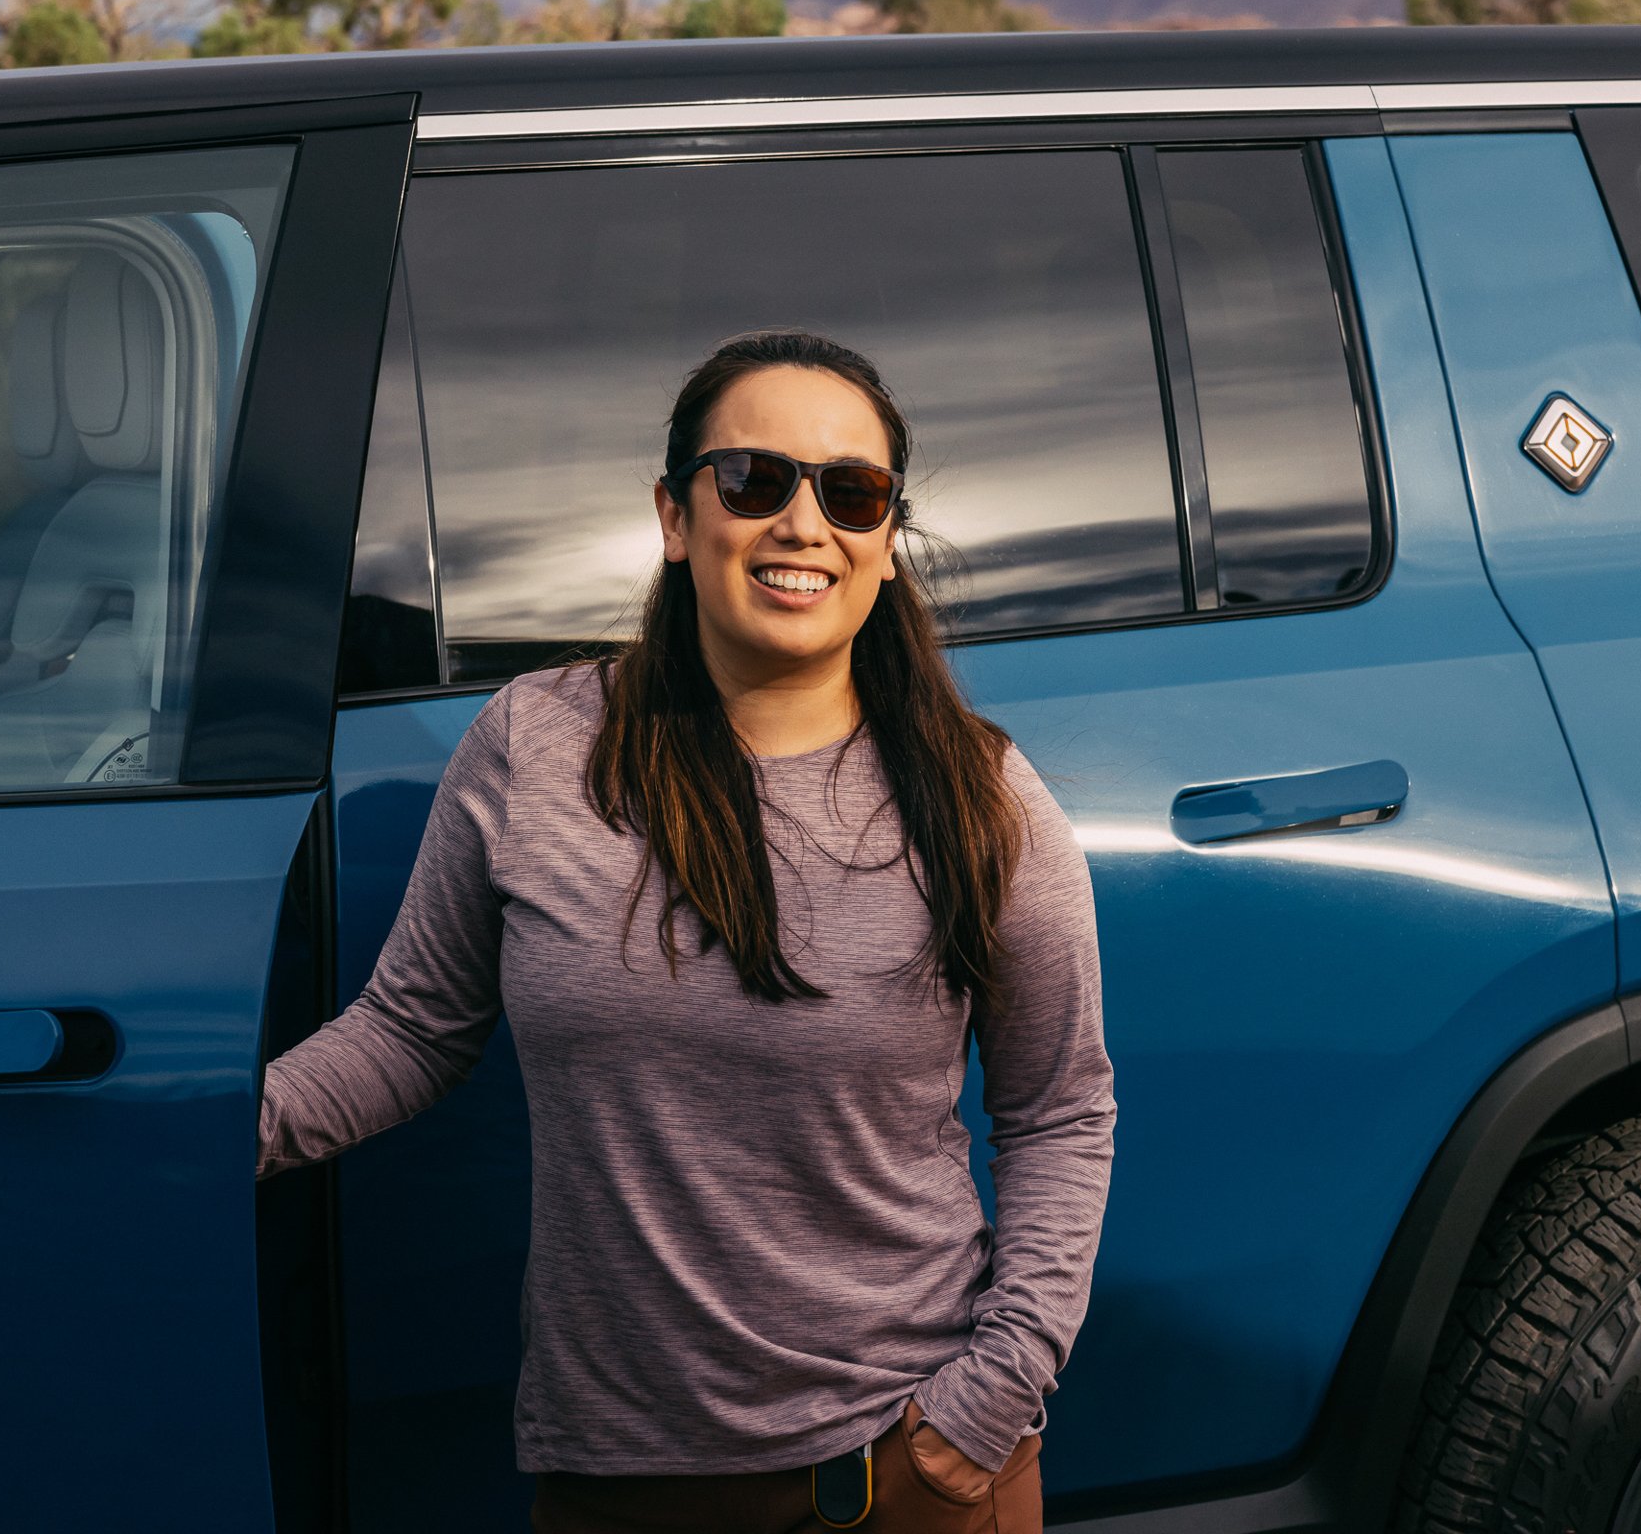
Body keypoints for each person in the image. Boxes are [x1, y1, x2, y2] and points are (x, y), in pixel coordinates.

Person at [261, 330, 1116, 1532]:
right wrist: (214, 1135)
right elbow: (412, 1029)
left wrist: (988, 1405)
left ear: (884, 548)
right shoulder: (538, 744)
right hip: (618, 1483)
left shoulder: (981, 800)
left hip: (902, 1477)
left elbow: (1060, 1111)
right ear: (675, 517)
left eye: (853, 493)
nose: (802, 523)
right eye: (754, 480)